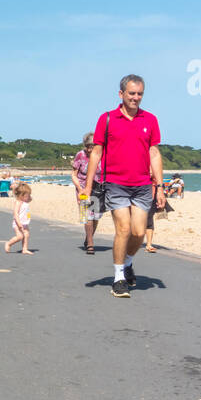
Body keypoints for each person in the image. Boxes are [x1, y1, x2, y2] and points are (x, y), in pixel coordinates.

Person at [83, 74, 164, 297]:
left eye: (139, 94)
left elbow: (154, 153)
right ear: (121, 94)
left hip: (142, 185)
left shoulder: (150, 120)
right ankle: (118, 278)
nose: (135, 98)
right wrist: (88, 186)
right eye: (131, 93)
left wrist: (161, 186)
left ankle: (128, 262)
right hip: (115, 184)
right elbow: (96, 153)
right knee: (124, 228)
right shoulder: (107, 119)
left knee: (138, 233)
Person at [71, 132, 103, 254]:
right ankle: (90, 244)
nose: (90, 149)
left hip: (97, 188)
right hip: (83, 188)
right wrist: (79, 188)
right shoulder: (80, 155)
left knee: (95, 217)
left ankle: (88, 238)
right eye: (88, 146)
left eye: (93, 146)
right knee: (87, 215)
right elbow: (73, 175)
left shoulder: (102, 155)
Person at [4, 182, 33, 254]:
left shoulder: (26, 201)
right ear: (21, 195)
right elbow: (16, 213)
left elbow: (30, 199)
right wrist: (19, 223)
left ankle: (24, 249)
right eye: (27, 195)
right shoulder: (18, 202)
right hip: (18, 222)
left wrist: (28, 194)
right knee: (20, 236)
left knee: (26, 235)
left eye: (29, 195)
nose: (28, 197)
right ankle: (8, 243)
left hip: (25, 222)